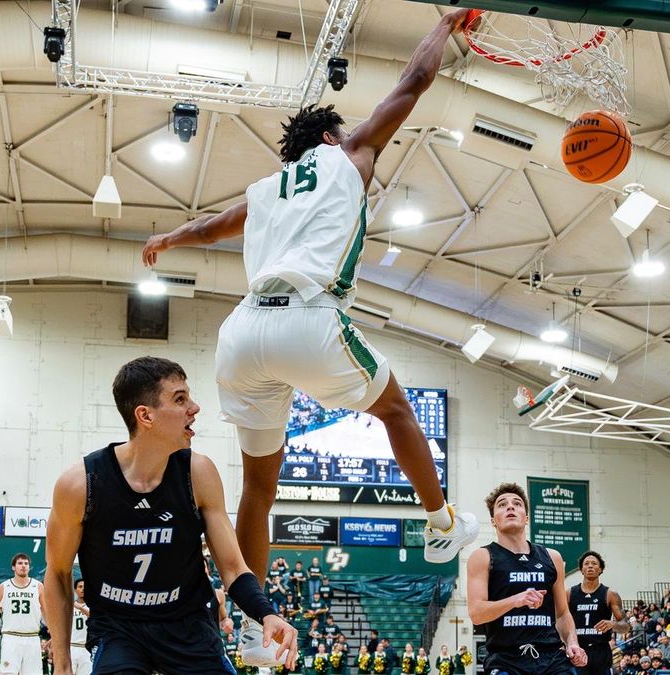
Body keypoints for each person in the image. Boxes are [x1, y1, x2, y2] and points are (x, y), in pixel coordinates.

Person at [139, 11, 481, 658]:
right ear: (331, 134)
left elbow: (213, 226)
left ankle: (252, 626)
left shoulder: (269, 189)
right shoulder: (348, 155)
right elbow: (413, 81)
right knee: (397, 408)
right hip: (307, 315)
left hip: (243, 333)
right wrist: (444, 24)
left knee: (258, 489)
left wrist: (168, 238)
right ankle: (441, 523)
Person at [43, 356, 298, 674]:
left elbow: (232, 568)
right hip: (119, 630)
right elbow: (57, 573)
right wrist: (62, 661)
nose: (194, 407)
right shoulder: (80, 484)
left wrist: (266, 613)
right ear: (145, 415)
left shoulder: (199, 473)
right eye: (180, 399)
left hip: (187, 626)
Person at [466, 483, 587, 674]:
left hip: (551, 659)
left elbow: (562, 614)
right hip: (506, 660)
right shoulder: (482, 557)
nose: (510, 507)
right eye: (502, 504)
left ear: (526, 518)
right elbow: (476, 612)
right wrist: (516, 600)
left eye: (517, 503)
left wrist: (572, 642)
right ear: (493, 521)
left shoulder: (552, 557)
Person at [0, 553, 45, 675]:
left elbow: (46, 613)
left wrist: (56, 638)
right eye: (20, 563)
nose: (23, 566)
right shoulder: (5, 586)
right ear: (13, 567)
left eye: (26, 563)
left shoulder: (38, 586)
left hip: (32, 638)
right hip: (11, 638)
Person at [568, 551, 627, 675]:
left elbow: (626, 626)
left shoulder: (610, 594)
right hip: (578, 649)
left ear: (600, 569)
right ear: (581, 569)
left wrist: (613, 624)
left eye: (594, 563)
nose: (590, 566)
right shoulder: (569, 593)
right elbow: (560, 619)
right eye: (586, 564)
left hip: (601, 650)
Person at [69, 578, 91, 675]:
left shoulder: (93, 606)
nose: (83, 589)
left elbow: (94, 617)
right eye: (80, 587)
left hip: (87, 648)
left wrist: (81, 608)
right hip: (72, 646)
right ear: (75, 590)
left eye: (85, 587)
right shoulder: (70, 606)